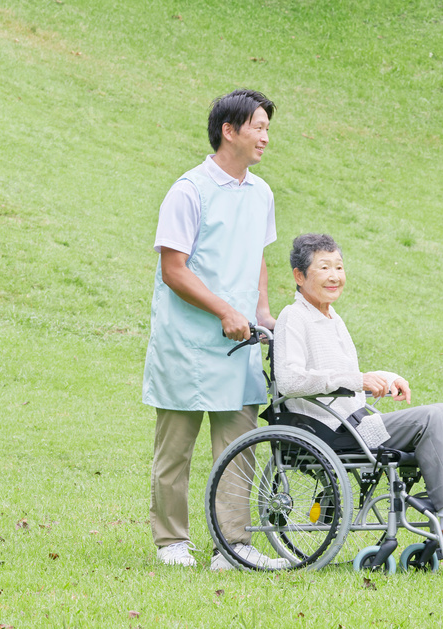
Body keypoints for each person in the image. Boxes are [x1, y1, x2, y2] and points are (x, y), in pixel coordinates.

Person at [273, 234, 443, 546]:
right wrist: (359, 380)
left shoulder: (332, 318)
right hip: (329, 432)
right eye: (325, 268)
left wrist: (383, 377)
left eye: (339, 267)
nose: (335, 276)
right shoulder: (293, 317)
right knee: (433, 417)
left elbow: (347, 377)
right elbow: (289, 381)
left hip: (356, 424)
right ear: (300, 275)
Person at [143, 89, 287, 569]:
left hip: (239, 340)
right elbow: (174, 269)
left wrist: (262, 312)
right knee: (175, 451)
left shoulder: (261, 192)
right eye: (258, 127)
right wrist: (225, 310)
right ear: (230, 131)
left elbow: (257, 258)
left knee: (238, 449)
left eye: (267, 128)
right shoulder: (189, 190)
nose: (266, 137)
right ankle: (172, 542)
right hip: (187, 342)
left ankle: (233, 545)